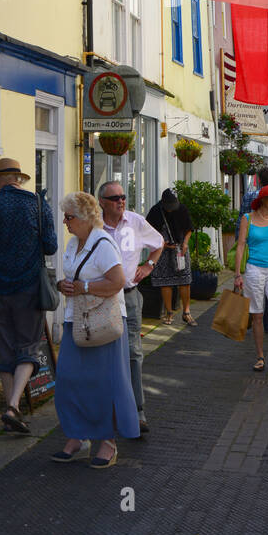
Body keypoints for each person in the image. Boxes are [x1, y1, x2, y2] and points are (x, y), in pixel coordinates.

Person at [52, 192, 137, 467]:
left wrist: (84, 287)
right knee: (68, 379)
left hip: (103, 323)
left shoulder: (104, 244)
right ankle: (78, 435)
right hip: (76, 319)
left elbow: (117, 282)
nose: (65, 222)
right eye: (65, 216)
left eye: (70, 217)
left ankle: (108, 442)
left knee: (105, 383)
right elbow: (71, 277)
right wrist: (63, 286)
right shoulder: (73, 242)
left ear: (87, 218)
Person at [0, 157, 58, 435]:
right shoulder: (37, 204)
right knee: (29, 347)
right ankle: (12, 407)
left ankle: (11, 409)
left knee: (6, 348)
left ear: (0, 180)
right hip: (29, 288)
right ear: (18, 179)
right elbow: (51, 245)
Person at [99, 181, 164, 434]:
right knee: (104, 353)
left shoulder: (135, 222)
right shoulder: (95, 227)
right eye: (115, 198)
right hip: (103, 299)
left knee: (134, 354)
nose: (121, 201)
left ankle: (137, 411)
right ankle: (108, 408)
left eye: (123, 197)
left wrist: (148, 265)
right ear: (102, 201)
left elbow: (159, 243)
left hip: (130, 296)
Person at [234, 184, 268, 371]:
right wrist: (237, 274)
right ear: (263, 200)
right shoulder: (247, 219)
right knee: (257, 314)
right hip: (254, 269)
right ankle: (259, 356)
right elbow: (240, 245)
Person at [145, 188, 194, 326]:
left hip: (180, 249)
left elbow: (189, 228)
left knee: (185, 279)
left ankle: (186, 312)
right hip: (162, 250)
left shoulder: (182, 209)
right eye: (169, 206)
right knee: (165, 281)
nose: (171, 209)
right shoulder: (155, 211)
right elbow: (148, 230)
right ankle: (169, 312)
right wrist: (162, 244)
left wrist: (185, 243)